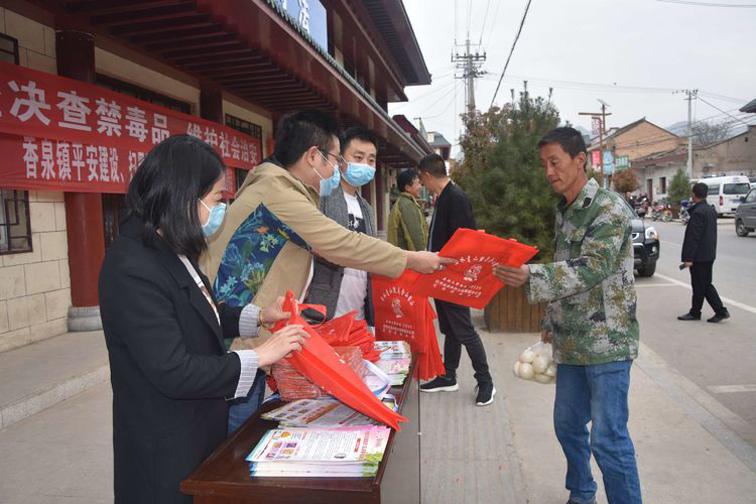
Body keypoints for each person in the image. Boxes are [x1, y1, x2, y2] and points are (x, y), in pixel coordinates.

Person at [203, 110, 452, 432]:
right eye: (335, 159)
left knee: (247, 416)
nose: (337, 169)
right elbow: (338, 243)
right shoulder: (277, 193)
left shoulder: (283, 188)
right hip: (235, 332)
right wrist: (412, 259)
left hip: (248, 325)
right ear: (312, 156)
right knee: (236, 432)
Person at [98, 135, 309, 504]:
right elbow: (173, 370)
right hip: (163, 446)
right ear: (184, 197)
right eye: (216, 198)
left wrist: (260, 316)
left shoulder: (171, 246)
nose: (221, 207)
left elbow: (201, 311)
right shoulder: (131, 267)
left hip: (198, 429)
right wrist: (259, 356)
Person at [494, 127, 642, 504]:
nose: (548, 172)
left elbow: (592, 266)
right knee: (568, 426)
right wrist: (549, 321)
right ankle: (582, 492)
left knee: (608, 440)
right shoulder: (566, 210)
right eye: (543, 164)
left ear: (580, 160)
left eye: (555, 162)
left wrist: (532, 274)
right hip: (571, 341)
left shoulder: (608, 208)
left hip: (607, 344)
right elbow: (565, 266)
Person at [416, 153, 496, 407]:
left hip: (454, 276)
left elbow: (467, 242)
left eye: (422, 179)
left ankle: (486, 382)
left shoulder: (456, 197)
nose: (422, 185)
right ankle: (448, 375)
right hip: (441, 273)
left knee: (464, 330)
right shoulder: (445, 197)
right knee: (450, 329)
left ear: (427, 175)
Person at [307, 126, 379, 324]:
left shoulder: (367, 208)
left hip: (359, 312)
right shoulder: (323, 197)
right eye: (358, 157)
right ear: (340, 159)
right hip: (324, 310)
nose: (365, 164)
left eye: (371, 160)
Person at [678, 182, 730, 323]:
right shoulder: (710, 210)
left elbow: (693, 237)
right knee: (702, 284)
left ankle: (719, 311)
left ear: (694, 195)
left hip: (699, 256)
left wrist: (688, 258)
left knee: (702, 285)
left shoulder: (698, 212)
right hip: (708, 254)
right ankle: (696, 311)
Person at [388, 168, 429, 251]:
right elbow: (415, 236)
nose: (420, 187)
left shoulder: (404, 202)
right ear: (407, 187)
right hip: (409, 260)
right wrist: (423, 256)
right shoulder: (407, 205)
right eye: (417, 184)